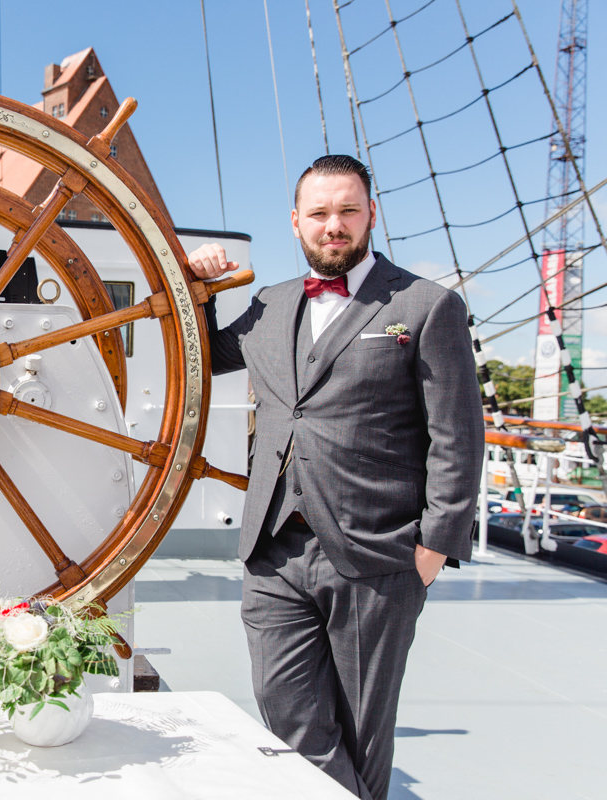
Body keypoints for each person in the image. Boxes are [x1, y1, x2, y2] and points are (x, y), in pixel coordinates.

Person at [187, 155, 482, 800]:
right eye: (319, 213)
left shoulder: (426, 306)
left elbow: (458, 434)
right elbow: (204, 357)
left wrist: (436, 544)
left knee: (362, 733)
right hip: (275, 548)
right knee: (285, 707)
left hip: (378, 552)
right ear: (296, 223)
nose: (334, 226)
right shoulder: (269, 304)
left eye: (348, 210)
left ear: (371, 214)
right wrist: (197, 287)